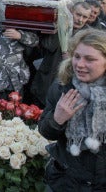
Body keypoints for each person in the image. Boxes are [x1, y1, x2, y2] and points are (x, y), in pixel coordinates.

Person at [38, 28, 106, 191]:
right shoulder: (62, 87)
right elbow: (45, 131)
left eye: (89, 59)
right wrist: (57, 120)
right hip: (67, 181)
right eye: (76, 56)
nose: (80, 64)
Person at [31, 1, 92, 106]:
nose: (80, 20)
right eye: (78, 14)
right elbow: (46, 45)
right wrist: (59, 29)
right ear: (71, 12)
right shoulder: (58, 26)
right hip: (48, 77)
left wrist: (72, 58)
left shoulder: (88, 36)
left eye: (85, 17)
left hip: (70, 86)